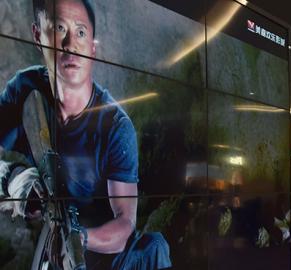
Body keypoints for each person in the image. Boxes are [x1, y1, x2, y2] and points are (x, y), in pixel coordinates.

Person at [0, 0, 171, 269]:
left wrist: (80, 239)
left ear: (93, 45)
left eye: (81, 32)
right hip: (50, 248)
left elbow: (125, 223)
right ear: (37, 35)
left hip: (106, 255)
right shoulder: (25, 91)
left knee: (154, 247)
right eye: (58, 28)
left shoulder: (115, 126)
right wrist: (15, 178)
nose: (71, 44)